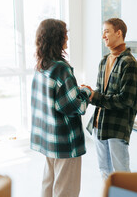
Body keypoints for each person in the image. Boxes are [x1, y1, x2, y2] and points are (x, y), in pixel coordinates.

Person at [30, 19, 92, 197]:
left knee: (49, 184)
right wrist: (86, 92)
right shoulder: (61, 69)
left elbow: (54, 99)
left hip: (48, 137)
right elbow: (74, 106)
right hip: (65, 141)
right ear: (57, 39)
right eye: (65, 35)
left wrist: (74, 90)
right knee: (66, 191)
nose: (67, 39)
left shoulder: (42, 65)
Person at [85, 18, 137, 180]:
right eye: (103, 32)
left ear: (119, 33)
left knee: (121, 175)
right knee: (105, 171)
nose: (103, 36)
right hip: (99, 125)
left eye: (107, 32)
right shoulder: (104, 61)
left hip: (117, 128)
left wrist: (95, 97)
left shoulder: (129, 63)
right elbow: (100, 92)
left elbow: (125, 100)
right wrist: (90, 93)